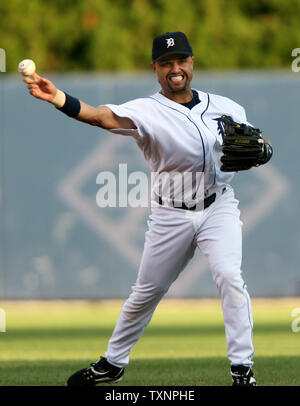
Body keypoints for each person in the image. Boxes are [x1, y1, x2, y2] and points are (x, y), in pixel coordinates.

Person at [23, 32, 272, 386]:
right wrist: (59, 98)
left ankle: (242, 370)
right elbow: (99, 116)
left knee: (230, 276)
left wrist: (265, 150)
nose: (176, 68)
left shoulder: (227, 107)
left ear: (191, 63)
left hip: (218, 206)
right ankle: (113, 363)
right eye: (167, 63)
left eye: (181, 61)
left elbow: (260, 142)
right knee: (146, 291)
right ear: (155, 68)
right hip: (170, 215)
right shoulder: (146, 110)